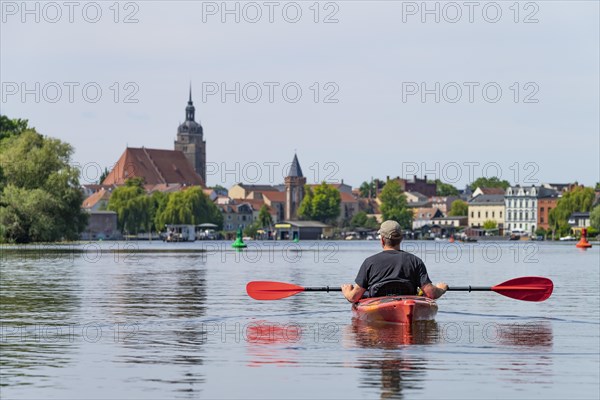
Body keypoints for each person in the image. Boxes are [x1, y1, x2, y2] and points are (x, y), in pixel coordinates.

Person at [341, 220, 448, 303]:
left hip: (378, 304)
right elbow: (431, 293)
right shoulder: (416, 261)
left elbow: (354, 297)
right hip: (407, 302)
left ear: (382, 240)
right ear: (401, 239)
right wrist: (441, 289)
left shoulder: (369, 262)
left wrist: (346, 291)